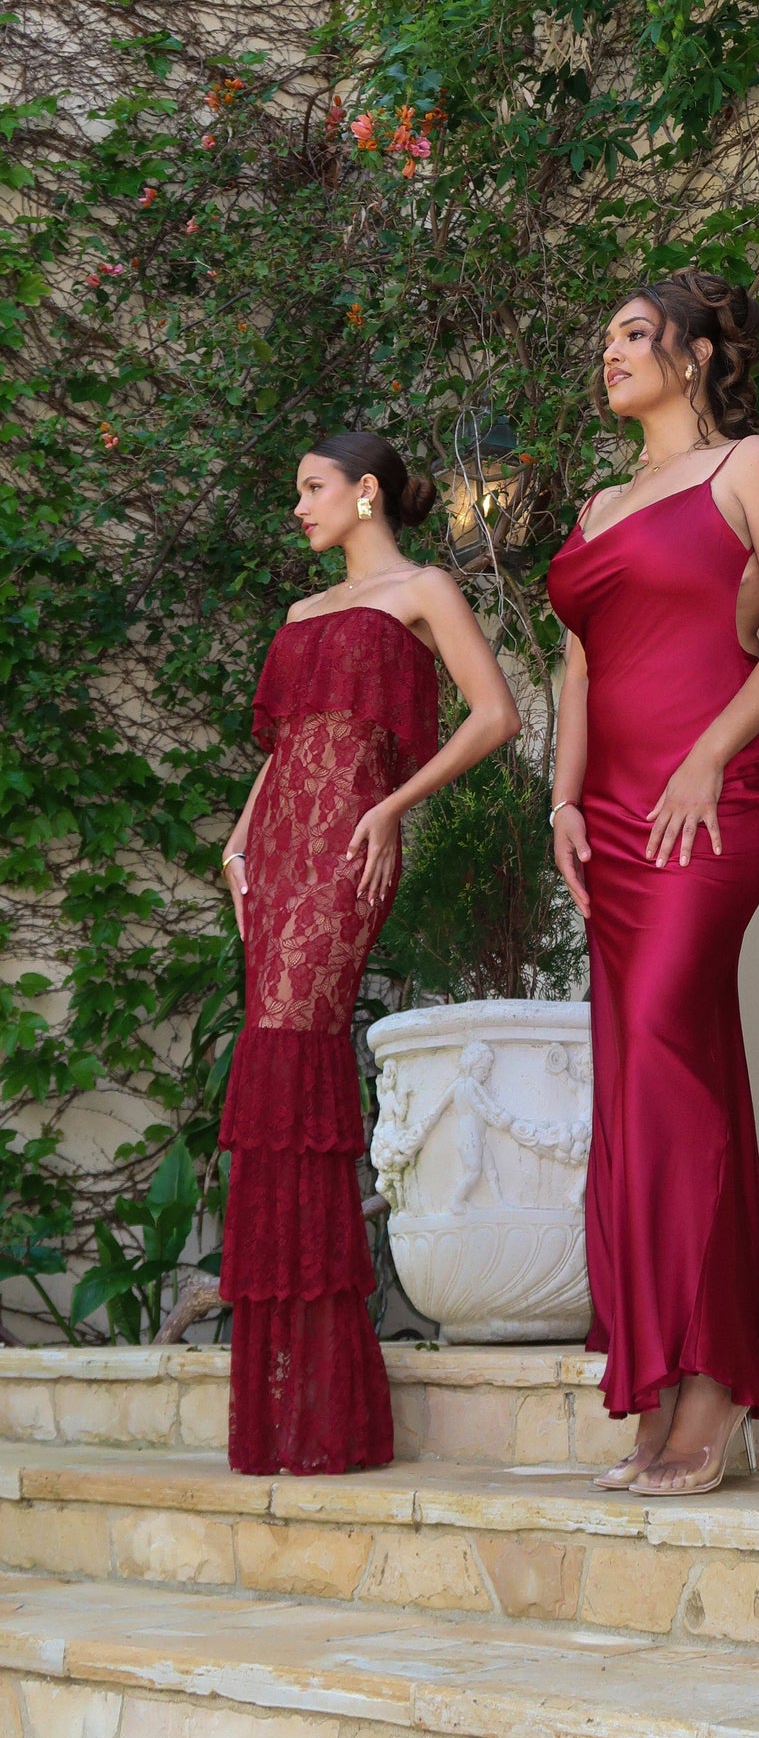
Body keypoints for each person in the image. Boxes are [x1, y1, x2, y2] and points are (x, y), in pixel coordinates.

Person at [547, 270, 759, 1495]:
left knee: (664, 1039)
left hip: (715, 790)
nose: (606, 350)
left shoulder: (752, 466)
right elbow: (577, 667)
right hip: (608, 811)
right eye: (601, 332)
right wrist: (559, 798)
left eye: (630, 332)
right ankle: (663, 1379)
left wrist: (713, 752)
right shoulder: (601, 499)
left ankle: (712, 1380)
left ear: (700, 352)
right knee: (643, 1066)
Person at [218, 432, 519, 1473]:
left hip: (349, 846)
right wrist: (237, 836)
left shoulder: (424, 587)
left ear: (365, 493)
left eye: (310, 488)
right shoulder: (301, 615)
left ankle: (324, 1405)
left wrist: (395, 805)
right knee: (272, 1059)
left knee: (291, 1054)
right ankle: (285, 1404)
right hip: (276, 853)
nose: (297, 505)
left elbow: (496, 714)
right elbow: (286, 745)